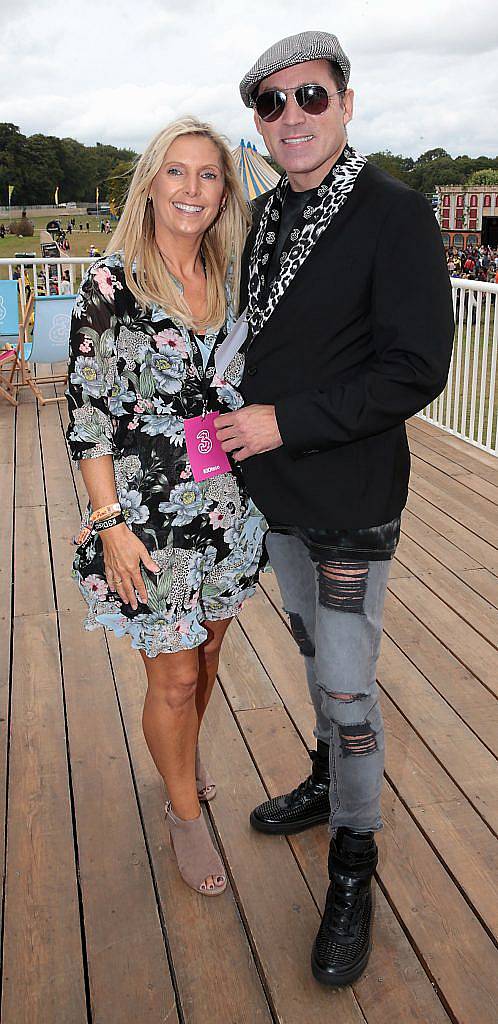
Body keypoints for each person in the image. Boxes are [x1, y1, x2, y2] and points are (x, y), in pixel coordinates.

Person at [215, 31, 454, 986]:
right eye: (271, 106)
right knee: (315, 651)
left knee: (351, 690)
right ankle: (326, 780)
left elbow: (414, 368)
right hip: (278, 496)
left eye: (309, 97)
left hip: (350, 496)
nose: (292, 119)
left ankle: (355, 866)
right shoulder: (268, 219)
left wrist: (287, 423)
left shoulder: (393, 212)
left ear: (346, 103)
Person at [65, 116, 267, 898]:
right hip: (147, 520)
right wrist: (111, 526)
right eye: (176, 173)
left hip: (227, 510)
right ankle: (185, 813)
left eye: (208, 175)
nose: (192, 189)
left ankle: (181, 762)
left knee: (208, 657)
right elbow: (88, 418)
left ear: (224, 191)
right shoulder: (111, 284)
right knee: (173, 678)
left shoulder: (233, 276)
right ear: (150, 182)